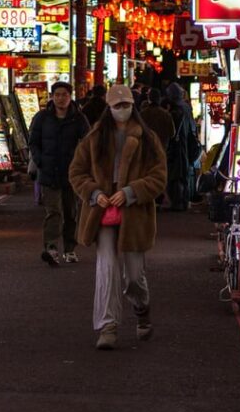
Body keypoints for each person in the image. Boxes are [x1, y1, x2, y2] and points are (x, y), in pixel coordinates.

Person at [70, 84, 167, 349]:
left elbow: (159, 177)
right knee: (107, 268)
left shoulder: (148, 139)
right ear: (108, 108)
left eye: (126, 106)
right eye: (117, 106)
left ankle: (141, 307)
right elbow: (77, 172)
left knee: (134, 274)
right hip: (102, 211)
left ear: (133, 107)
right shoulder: (94, 137)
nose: (122, 111)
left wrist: (131, 192)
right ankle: (107, 325)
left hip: (134, 212)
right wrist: (93, 193)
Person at [28, 81, 90, 266]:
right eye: (57, 94)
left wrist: (81, 165)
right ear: (52, 96)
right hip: (48, 172)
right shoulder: (42, 117)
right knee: (53, 212)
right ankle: (51, 248)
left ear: (70, 97)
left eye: (64, 94)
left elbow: (87, 143)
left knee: (71, 212)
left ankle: (70, 249)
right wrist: (40, 161)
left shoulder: (78, 118)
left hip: (72, 174)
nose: (61, 98)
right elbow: (33, 141)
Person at [164, 82, 198, 211]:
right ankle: (185, 200)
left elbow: (172, 131)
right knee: (184, 174)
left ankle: (177, 202)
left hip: (177, 146)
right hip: (188, 144)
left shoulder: (174, 110)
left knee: (175, 175)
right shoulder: (187, 108)